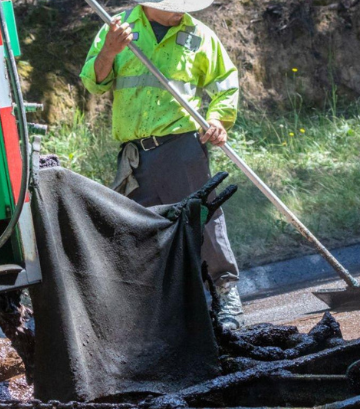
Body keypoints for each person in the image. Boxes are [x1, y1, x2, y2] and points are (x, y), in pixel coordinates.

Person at [80, 0, 246, 330]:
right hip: (135, 155)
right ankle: (156, 316)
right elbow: (94, 82)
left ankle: (227, 298)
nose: (179, 11)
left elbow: (225, 82)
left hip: (182, 146)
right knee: (137, 232)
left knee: (203, 220)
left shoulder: (198, 35)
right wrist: (110, 52)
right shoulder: (117, 28)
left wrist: (216, 119)